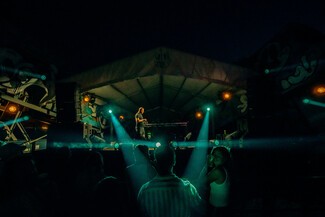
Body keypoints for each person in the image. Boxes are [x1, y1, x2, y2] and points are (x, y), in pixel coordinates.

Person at [137, 143, 204, 217]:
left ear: (156, 162)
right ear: (174, 161)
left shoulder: (144, 190)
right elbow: (199, 209)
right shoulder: (188, 188)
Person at [198, 146, 232, 217]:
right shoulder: (223, 168)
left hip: (217, 210)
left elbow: (200, 181)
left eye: (218, 155)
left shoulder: (218, 171)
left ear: (225, 158)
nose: (215, 157)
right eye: (214, 155)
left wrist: (206, 164)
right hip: (223, 207)